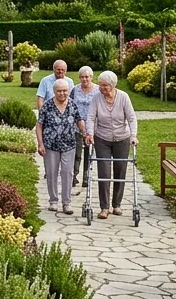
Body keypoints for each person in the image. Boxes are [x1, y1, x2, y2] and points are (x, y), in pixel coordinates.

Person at [84, 70, 138, 220]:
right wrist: (90, 133)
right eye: (100, 85)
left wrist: (133, 136)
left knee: (120, 171)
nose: (101, 88)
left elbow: (132, 118)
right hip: (102, 138)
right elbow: (90, 117)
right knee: (104, 172)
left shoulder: (123, 97)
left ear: (113, 85)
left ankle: (117, 205)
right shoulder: (96, 98)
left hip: (122, 138)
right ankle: (104, 207)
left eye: (105, 86)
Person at [37, 78, 86, 215]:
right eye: (59, 91)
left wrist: (84, 132)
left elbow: (79, 120)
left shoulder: (72, 105)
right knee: (51, 172)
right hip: (50, 145)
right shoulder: (47, 106)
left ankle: (66, 203)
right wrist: (40, 144)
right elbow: (39, 125)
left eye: (65, 91)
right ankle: (53, 201)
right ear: (54, 92)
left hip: (69, 144)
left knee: (67, 173)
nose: (62, 94)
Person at [69, 67, 100, 191]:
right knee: (76, 153)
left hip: (92, 127)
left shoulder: (98, 90)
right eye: (82, 77)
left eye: (87, 77)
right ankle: (74, 176)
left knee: (89, 152)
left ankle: (86, 177)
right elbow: (70, 105)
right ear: (79, 77)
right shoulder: (75, 90)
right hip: (76, 126)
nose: (84, 79)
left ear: (91, 77)